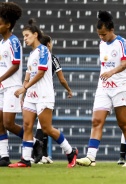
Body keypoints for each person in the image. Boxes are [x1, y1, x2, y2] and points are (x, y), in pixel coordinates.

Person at [8, 19, 78, 168]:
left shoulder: (43, 51)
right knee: (27, 125)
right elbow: (28, 75)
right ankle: (25, 160)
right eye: (23, 36)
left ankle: (70, 151)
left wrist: (24, 88)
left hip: (44, 95)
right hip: (31, 95)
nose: (24, 39)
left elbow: (40, 73)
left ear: (35, 34)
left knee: (46, 128)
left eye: (26, 35)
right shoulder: (32, 53)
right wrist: (23, 93)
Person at [75, 10, 126, 168]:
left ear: (111, 30)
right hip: (103, 87)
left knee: (123, 123)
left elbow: (125, 63)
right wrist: (106, 74)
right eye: (99, 34)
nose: (101, 37)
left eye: (103, 34)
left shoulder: (121, 42)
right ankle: (91, 157)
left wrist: (111, 72)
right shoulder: (101, 43)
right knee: (96, 121)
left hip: (120, 88)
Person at [32, 34, 73, 164]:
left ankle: (41, 154)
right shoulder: (52, 58)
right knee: (43, 126)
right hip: (45, 95)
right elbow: (61, 79)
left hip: (32, 94)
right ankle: (38, 155)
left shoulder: (34, 56)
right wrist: (68, 89)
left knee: (39, 125)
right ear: (49, 44)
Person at [0, 2, 23, 167]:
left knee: (8, 123)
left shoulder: (13, 41)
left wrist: (0, 79)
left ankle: (34, 142)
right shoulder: (1, 43)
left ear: (8, 25)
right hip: (2, 87)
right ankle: (4, 156)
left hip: (12, 87)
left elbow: (15, 64)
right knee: (0, 123)